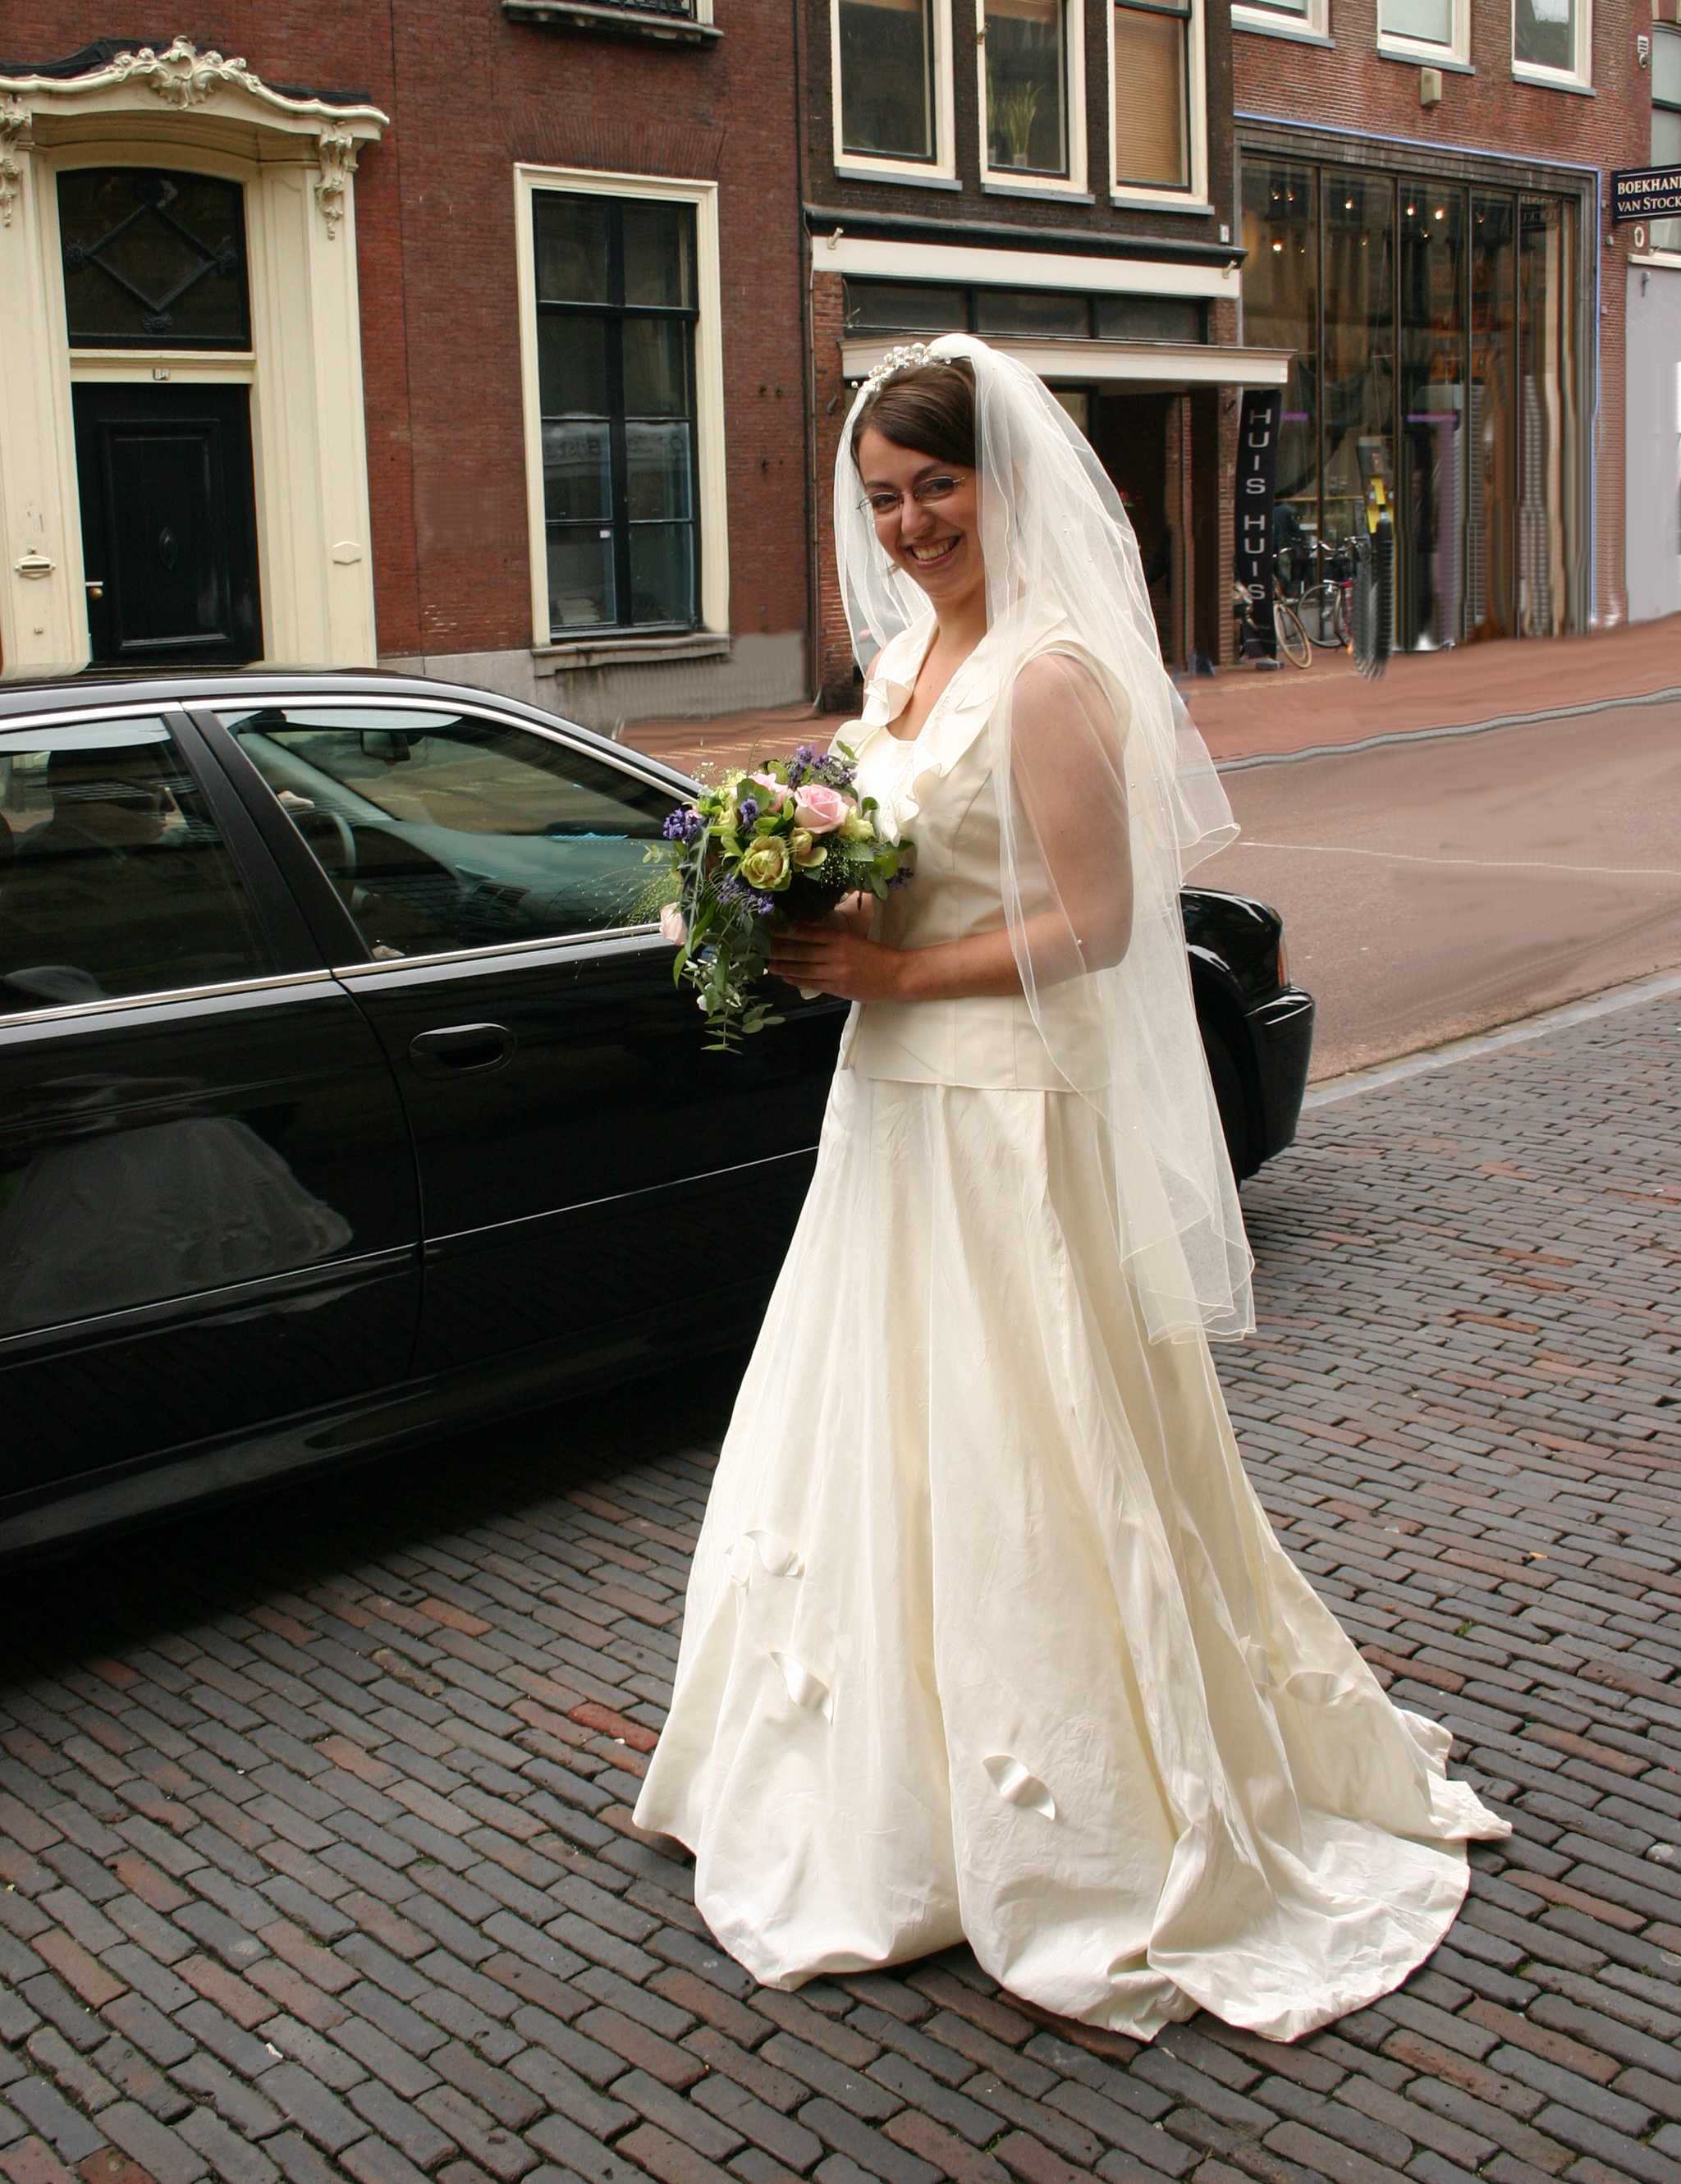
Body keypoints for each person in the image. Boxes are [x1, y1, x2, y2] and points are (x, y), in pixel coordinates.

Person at [631, 335, 1508, 2043]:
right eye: (884, 497)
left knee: (1029, 1444)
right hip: (892, 1114)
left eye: (935, 487)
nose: (908, 524)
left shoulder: (1046, 675)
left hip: (1001, 1121)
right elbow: (902, 857)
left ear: (1000, 478)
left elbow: (1101, 925)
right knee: (884, 1435)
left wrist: (891, 971)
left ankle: (1084, 1813)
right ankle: (876, 1789)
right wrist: (794, 906)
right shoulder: (907, 662)